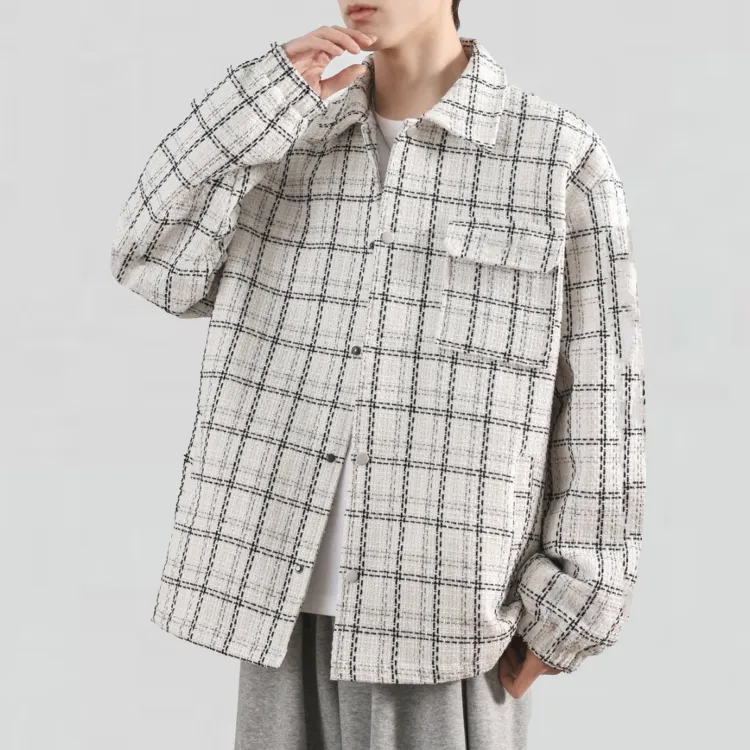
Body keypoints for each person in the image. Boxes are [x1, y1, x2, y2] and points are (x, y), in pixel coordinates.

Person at [110, 1, 647, 748]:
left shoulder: (554, 156)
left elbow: (602, 393)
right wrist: (260, 96)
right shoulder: (287, 138)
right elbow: (153, 263)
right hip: (279, 600)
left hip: (447, 613)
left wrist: (573, 605)